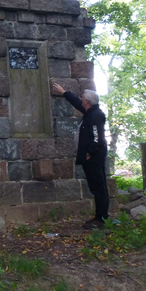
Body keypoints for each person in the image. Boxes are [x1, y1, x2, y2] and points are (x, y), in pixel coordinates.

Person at [52, 82, 109, 229]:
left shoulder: (96, 115)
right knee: (96, 187)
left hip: (94, 158)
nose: (81, 98)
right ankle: (99, 217)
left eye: (83, 97)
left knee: (99, 188)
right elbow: (77, 103)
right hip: (90, 158)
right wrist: (64, 92)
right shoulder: (90, 111)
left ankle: (101, 219)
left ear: (88, 102)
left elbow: (98, 139)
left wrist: (89, 152)